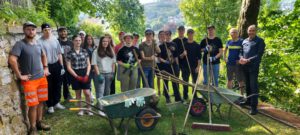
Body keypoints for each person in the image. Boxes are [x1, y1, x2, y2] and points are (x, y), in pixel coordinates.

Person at [9, 22, 51, 134]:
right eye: (28, 29)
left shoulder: (38, 44)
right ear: (24, 30)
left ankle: (39, 122)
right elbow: (12, 60)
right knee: (33, 105)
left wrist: (46, 67)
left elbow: (43, 55)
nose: (31, 31)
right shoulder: (20, 44)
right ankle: (32, 128)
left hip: (42, 78)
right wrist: (19, 75)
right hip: (30, 81)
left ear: (35, 31)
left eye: (33, 29)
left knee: (41, 102)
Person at [38, 23, 65, 113]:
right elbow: (41, 56)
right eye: (45, 30)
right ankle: (50, 105)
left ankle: (57, 102)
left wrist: (61, 66)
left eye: (49, 29)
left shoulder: (55, 40)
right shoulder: (39, 42)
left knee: (58, 84)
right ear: (42, 31)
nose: (47, 31)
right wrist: (44, 67)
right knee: (49, 86)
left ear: (51, 30)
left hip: (56, 64)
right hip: (47, 66)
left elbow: (59, 53)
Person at [239, 25, 265, 115]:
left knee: (254, 86)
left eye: (253, 30)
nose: (251, 32)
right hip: (245, 66)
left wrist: (248, 60)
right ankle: (248, 101)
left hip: (253, 67)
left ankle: (254, 107)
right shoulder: (244, 41)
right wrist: (241, 58)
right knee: (248, 85)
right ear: (247, 31)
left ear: (255, 31)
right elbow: (241, 51)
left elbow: (259, 54)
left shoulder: (260, 41)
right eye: (250, 30)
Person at [66, 35, 93, 116]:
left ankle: (89, 109)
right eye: (76, 40)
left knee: (87, 93)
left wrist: (87, 75)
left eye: (79, 40)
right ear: (73, 41)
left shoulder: (85, 51)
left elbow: (89, 64)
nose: (78, 42)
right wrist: (77, 76)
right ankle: (80, 110)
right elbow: (68, 67)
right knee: (78, 93)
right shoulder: (69, 53)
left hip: (85, 73)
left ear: (81, 41)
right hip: (75, 74)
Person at [92, 36, 116, 115]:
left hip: (109, 74)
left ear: (109, 42)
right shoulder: (96, 51)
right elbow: (95, 64)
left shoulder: (111, 51)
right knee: (100, 92)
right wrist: (98, 75)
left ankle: (106, 107)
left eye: (106, 41)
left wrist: (112, 73)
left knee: (107, 92)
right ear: (101, 42)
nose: (105, 43)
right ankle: (100, 109)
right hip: (100, 74)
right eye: (103, 41)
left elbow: (113, 63)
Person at [159, 30, 182, 103]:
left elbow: (176, 56)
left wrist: (177, 66)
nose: (167, 36)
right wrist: (166, 61)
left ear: (170, 35)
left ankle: (177, 98)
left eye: (169, 34)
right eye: (166, 34)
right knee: (165, 82)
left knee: (175, 82)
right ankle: (167, 97)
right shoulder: (161, 46)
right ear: (164, 36)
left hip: (174, 66)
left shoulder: (174, 44)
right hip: (165, 66)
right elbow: (159, 58)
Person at [180, 29, 202, 100]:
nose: (190, 35)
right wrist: (183, 54)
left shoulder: (197, 45)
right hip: (185, 67)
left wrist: (198, 67)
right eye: (189, 34)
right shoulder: (183, 45)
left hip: (194, 66)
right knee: (185, 82)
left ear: (193, 34)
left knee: (194, 82)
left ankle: (194, 95)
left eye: (192, 33)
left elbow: (199, 58)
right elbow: (179, 57)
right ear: (187, 35)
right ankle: (185, 95)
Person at [224, 28, 245, 95]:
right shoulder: (228, 41)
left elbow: (245, 52)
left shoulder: (241, 41)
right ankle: (229, 95)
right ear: (230, 34)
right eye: (232, 32)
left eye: (235, 32)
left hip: (238, 64)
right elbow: (225, 50)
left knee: (240, 80)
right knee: (229, 79)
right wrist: (225, 58)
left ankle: (241, 95)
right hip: (229, 63)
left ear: (238, 33)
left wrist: (240, 60)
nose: (234, 33)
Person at [57, 27, 73, 101]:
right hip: (59, 65)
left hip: (69, 65)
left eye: (64, 31)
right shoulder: (56, 42)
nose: (63, 33)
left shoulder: (70, 43)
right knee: (59, 83)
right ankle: (57, 98)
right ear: (58, 33)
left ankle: (67, 95)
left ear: (67, 32)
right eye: (61, 32)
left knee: (68, 81)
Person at [83, 34, 97, 102]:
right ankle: (90, 96)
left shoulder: (95, 47)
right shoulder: (83, 48)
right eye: (88, 39)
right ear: (86, 40)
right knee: (88, 83)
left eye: (90, 39)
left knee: (96, 82)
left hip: (95, 68)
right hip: (87, 68)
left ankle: (97, 96)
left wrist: (95, 67)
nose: (89, 40)